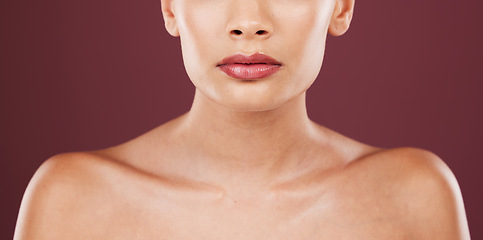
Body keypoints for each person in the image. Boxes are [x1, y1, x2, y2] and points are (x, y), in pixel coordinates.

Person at [14, 0, 470, 239]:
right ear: (171, 6)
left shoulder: (414, 197)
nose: (248, 22)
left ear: (342, 6)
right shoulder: (72, 203)